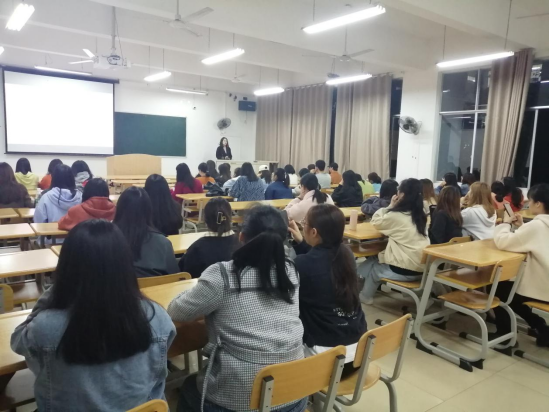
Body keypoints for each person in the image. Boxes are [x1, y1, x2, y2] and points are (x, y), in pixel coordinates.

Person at [11, 220, 176, 412]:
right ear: (125, 265)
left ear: (66, 267)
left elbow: (18, 342)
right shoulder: (157, 318)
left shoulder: (45, 327)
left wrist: (56, 291)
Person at [167, 206, 305, 412]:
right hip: (293, 393)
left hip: (240, 397)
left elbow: (176, 311)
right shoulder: (290, 271)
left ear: (241, 237)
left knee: (189, 387)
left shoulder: (223, 275)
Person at [288, 204, 367, 368]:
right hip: (358, 353)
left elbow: (312, 267)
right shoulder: (347, 254)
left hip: (325, 359)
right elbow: (321, 262)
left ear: (314, 232)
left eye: (304, 223)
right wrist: (302, 243)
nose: (302, 226)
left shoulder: (302, 264)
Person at [493, 184, 549, 347]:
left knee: (498, 287)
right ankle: (540, 327)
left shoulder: (537, 225)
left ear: (538, 203)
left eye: (530, 201)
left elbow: (503, 242)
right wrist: (522, 226)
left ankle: (505, 336)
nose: (527, 204)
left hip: (543, 287)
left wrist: (505, 224)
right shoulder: (540, 225)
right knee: (510, 291)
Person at [358, 179, 430, 305]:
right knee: (375, 259)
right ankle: (355, 280)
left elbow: (375, 221)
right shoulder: (421, 214)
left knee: (376, 269)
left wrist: (390, 206)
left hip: (407, 267)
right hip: (422, 265)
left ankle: (365, 296)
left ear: (401, 194)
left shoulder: (397, 215)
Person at [114, 187, 179, 278]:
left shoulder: (106, 239)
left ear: (119, 209)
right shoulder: (163, 243)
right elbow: (174, 277)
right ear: (149, 211)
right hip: (157, 287)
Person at [179, 198, 239, 278]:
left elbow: (185, 274)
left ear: (205, 221)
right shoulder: (242, 243)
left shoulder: (196, 249)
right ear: (230, 218)